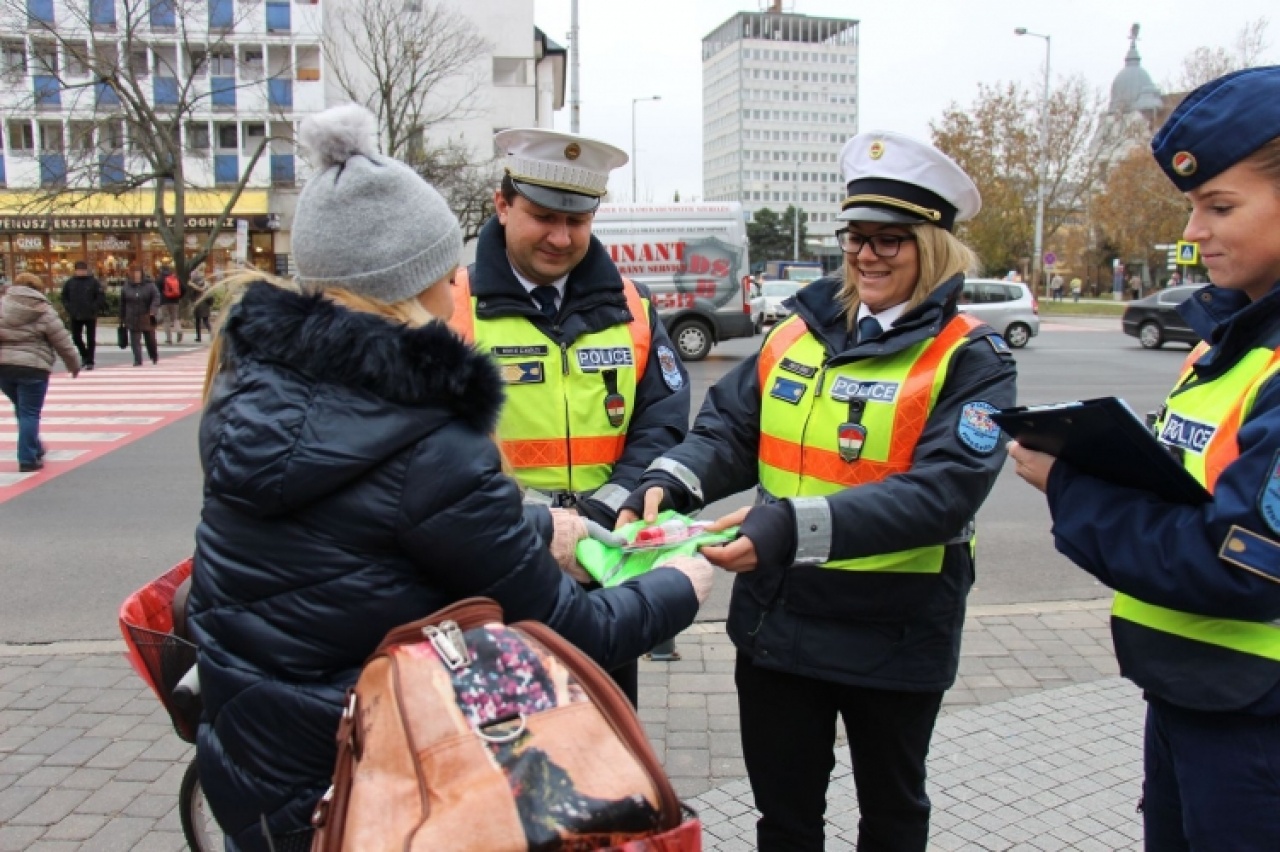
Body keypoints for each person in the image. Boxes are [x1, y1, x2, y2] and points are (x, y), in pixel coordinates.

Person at [185, 104, 713, 852]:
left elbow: (375, 524)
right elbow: (570, 630)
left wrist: (545, 524)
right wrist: (678, 586)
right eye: (440, 275)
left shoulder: (253, 385)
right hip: (382, 780)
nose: (449, 292)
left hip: (268, 764)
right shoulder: (428, 432)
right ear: (412, 283)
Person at [620, 130, 1018, 851]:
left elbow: (942, 495)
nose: (865, 255)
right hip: (782, 627)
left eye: (889, 240)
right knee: (786, 821)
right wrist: (667, 483)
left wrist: (782, 528)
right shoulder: (796, 334)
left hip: (896, 631)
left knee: (892, 818)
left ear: (934, 247)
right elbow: (729, 432)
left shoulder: (971, 358)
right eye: (856, 237)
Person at [1010, 66, 1280, 851]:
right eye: (1194, 206)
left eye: (1219, 206)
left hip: (1256, 728)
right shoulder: (1230, 343)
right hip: (1201, 700)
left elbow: (1239, 564)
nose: (1194, 231)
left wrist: (1070, 486)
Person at [447, 128, 692, 707]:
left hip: (603, 561)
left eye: (577, 222)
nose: (561, 237)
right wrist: (528, 521)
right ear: (502, 205)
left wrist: (613, 501)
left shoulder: (633, 307)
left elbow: (662, 422)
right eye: (543, 216)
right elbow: (430, 447)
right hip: (498, 565)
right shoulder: (452, 306)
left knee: (609, 738)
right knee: (509, 748)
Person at [0, 272, 81, 472]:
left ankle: (35, 447)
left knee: (23, 409)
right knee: (29, 412)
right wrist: (74, 364)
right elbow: (61, 340)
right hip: (34, 367)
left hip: (4, 367)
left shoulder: (2, 306)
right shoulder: (44, 310)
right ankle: (27, 458)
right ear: (38, 289)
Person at [60, 260, 105, 370]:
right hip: (75, 314)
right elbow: (64, 297)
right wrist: (69, 308)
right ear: (75, 271)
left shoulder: (93, 282)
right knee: (76, 338)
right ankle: (84, 355)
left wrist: (94, 307)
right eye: (79, 270)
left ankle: (90, 361)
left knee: (91, 339)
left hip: (90, 314)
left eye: (83, 270)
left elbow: (100, 296)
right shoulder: (70, 282)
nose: (81, 272)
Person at [119, 268, 160, 366]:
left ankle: (153, 355)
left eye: (138, 274)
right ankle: (138, 359)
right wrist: (121, 316)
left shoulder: (150, 285)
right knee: (135, 341)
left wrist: (153, 309)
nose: (136, 276)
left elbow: (156, 297)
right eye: (134, 274)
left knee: (150, 340)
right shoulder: (126, 286)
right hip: (132, 317)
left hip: (146, 316)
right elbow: (122, 302)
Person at [156, 265, 185, 345]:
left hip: (164, 302)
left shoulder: (160, 279)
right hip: (175, 302)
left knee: (166, 320)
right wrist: (179, 297)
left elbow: (156, 291)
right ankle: (179, 330)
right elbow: (183, 289)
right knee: (175, 318)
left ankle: (169, 339)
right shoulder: (175, 278)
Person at [188, 267, 213, 342]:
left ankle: (199, 337)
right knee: (206, 321)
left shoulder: (194, 285)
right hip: (206, 303)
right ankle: (212, 334)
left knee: (198, 321)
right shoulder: (205, 283)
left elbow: (192, 295)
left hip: (198, 303)